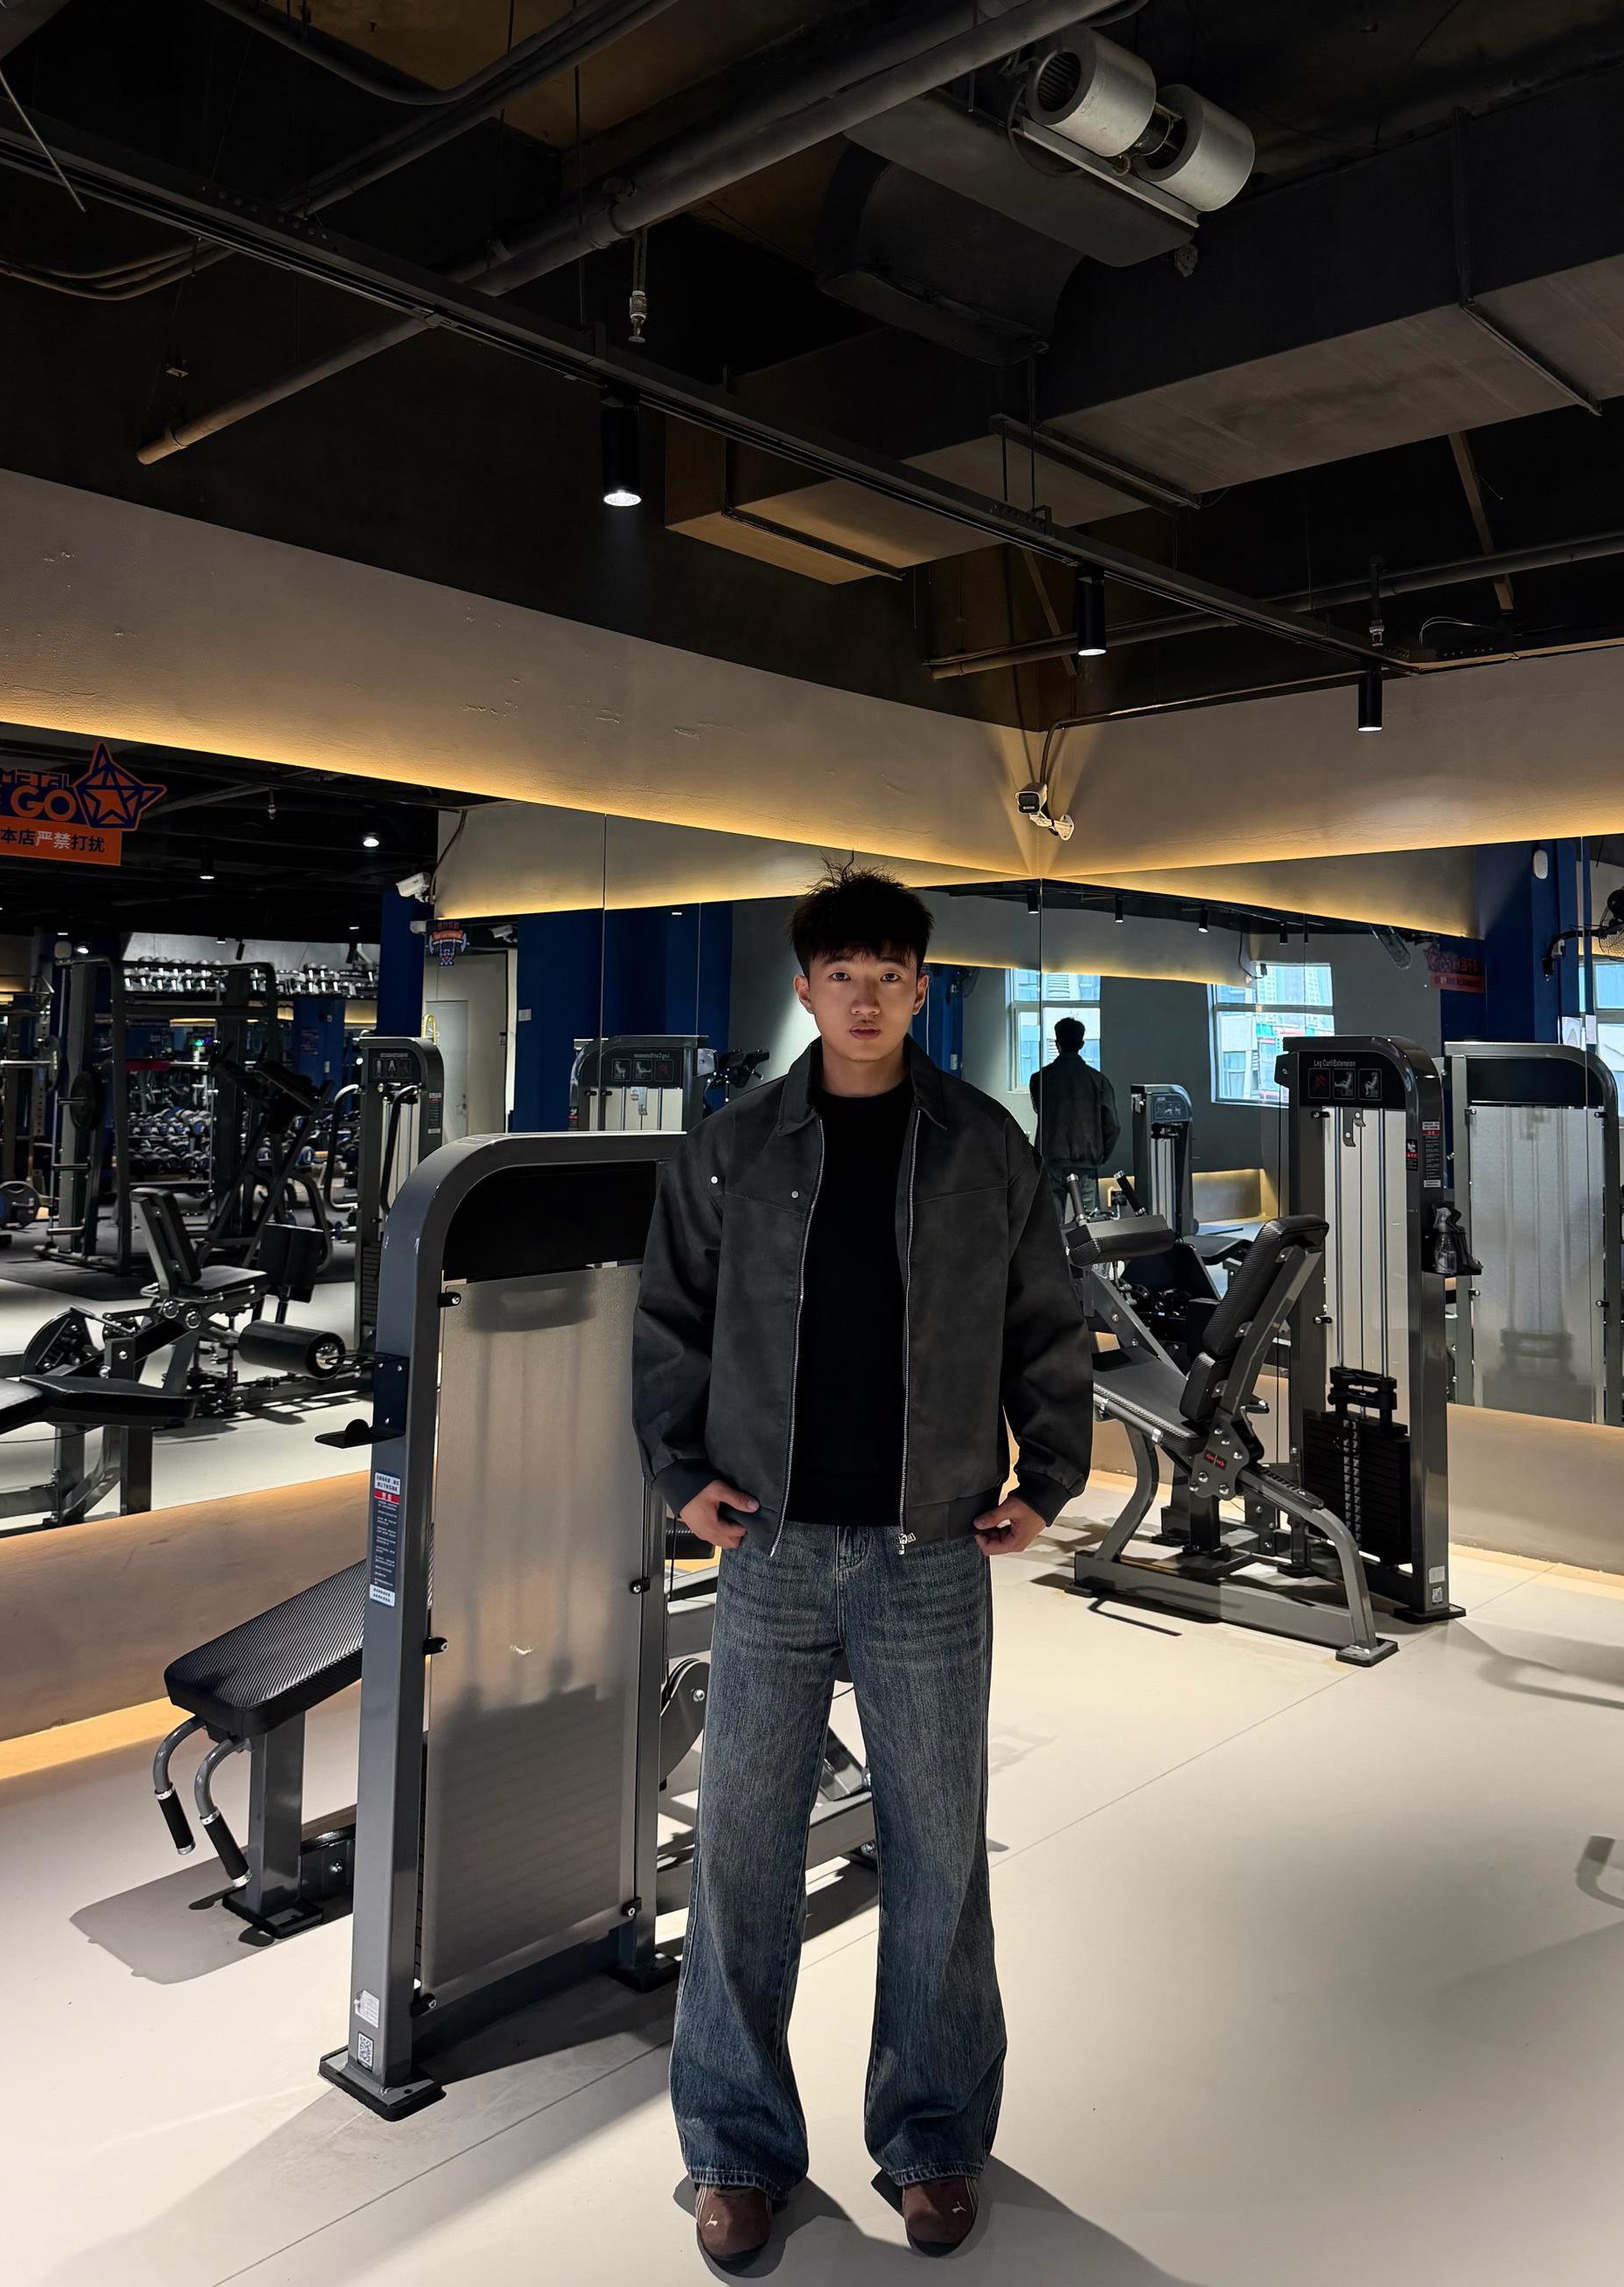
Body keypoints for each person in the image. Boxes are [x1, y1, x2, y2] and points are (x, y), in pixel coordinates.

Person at [633, 864, 1092, 2266]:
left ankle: (933, 2134)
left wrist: (1048, 1473)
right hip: (770, 1545)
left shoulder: (983, 1144)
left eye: (891, 973)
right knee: (742, 1852)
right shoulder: (731, 1147)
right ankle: (734, 2147)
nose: (867, 996)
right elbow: (670, 1320)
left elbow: (1044, 1314)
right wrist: (676, 1472)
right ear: (807, 988)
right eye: (843, 974)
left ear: (920, 987)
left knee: (939, 1853)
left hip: (927, 1549)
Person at [1030, 1015, 1120, 1221]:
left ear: (1057, 1043)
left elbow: (1038, 1109)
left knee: (1052, 1225)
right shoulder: (1098, 1081)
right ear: (1081, 1044)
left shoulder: (1040, 1078)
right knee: (1089, 1224)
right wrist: (1100, 1156)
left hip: (1051, 1158)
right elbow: (1112, 1125)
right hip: (1086, 1161)